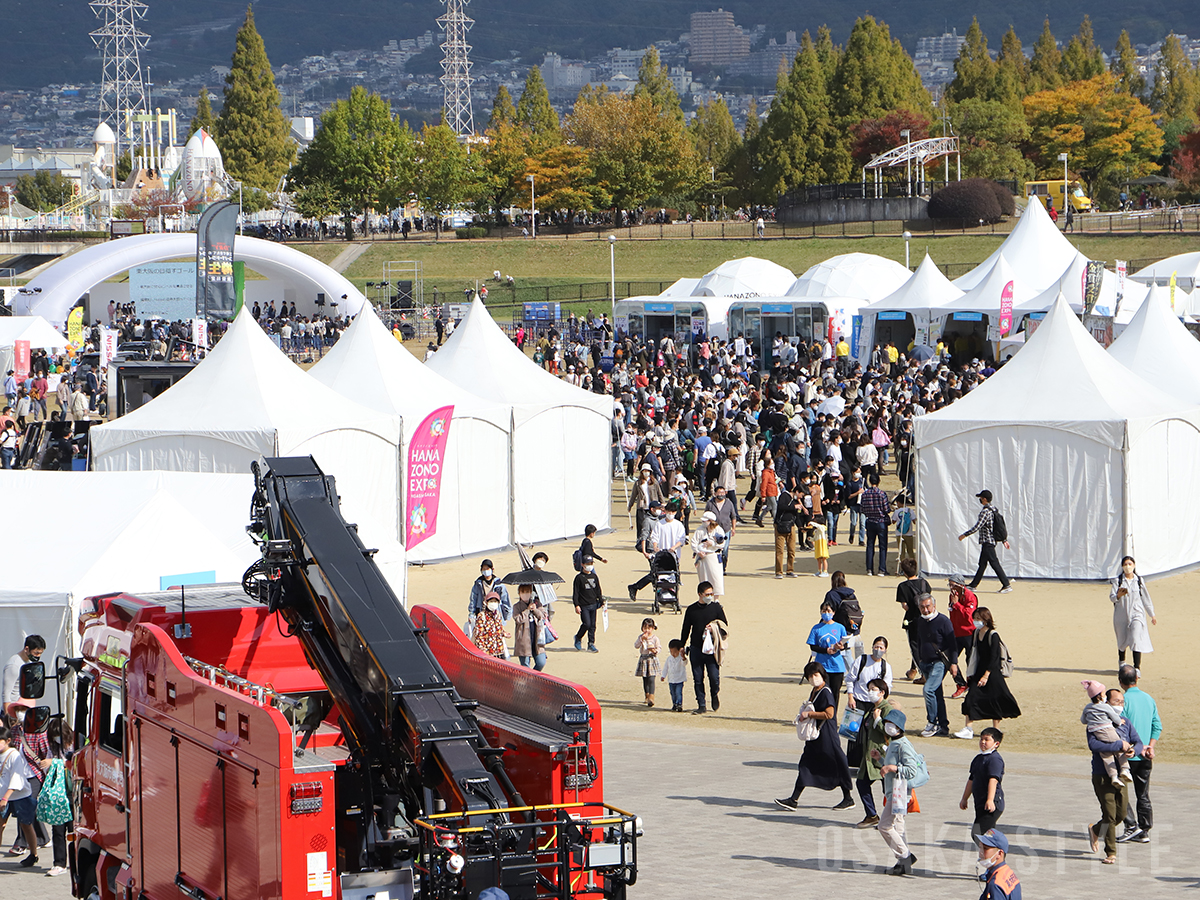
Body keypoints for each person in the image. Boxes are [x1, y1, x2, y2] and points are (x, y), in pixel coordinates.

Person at [774, 662, 855, 812]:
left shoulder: (825, 692)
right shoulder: (815, 690)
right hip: (815, 737)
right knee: (806, 764)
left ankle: (848, 798)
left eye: (815, 675)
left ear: (822, 674)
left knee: (837, 763)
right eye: (810, 676)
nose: (813, 678)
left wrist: (809, 714)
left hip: (826, 736)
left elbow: (830, 714)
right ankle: (793, 799)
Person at [1087, 687, 1142, 865]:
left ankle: (1095, 829)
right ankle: (1111, 852)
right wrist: (1119, 746)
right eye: (1116, 702)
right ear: (1106, 702)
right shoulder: (1095, 722)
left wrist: (1134, 750)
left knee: (1121, 813)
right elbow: (1094, 745)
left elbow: (1138, 741)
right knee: (1109, 814)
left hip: (1122, 775)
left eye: (1122, 702)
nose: (1119, 705)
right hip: (1102, 775)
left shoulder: (1124, 722)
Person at [957, 607, 1020, 739]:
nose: (975, 621)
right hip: (979, 670)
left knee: (996, 700)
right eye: (974, 618)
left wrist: (986, 675)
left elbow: (994, 657)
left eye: (978, 619)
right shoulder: (976, 633)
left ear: (986, 620)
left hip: (993, 673)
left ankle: (995, 730)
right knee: (970, 697)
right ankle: (968, 728)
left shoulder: (993, 635)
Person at [871, 708, 920, 875]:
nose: (888, 727)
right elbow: (892, 764)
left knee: (884, 826)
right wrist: (880, 759)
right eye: (886, 724)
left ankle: (906, 856)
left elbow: (911, 770)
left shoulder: (904, 745)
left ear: (899, 727)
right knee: (898, 828)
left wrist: (892, 767)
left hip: (900, 793)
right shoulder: (893, 743)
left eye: (892, 724)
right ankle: (902, 864)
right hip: (893, 792)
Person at [1116, 665, 1160, 844]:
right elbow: (1157, 725)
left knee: (1120, 792)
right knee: (1143, 794)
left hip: (1127, 756)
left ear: (1120, 681)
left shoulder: (1121, 701)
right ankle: (1145, 829)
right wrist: (1150, 746)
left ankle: (1131, 826)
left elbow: (1120, 728)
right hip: (1145, 756)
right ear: (1137, 679)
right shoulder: (1149, 699)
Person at [679, 581, 727, 714]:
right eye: (707, 594)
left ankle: (714, 694)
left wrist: (714, 627)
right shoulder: (691, 609)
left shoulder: (716, 608)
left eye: (711, 594)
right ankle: (701, 704)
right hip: (695, 648)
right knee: (698, 678)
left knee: (714, 677)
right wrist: (681, 646)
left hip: (712, 649)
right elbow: (686, 629)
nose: (710, 596)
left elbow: (725, 626)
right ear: (700, 594)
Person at [852, 676, 894, 828]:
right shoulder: (871, 708)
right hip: (869, 755)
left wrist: (878, 720)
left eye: (873, 690)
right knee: (862, 783)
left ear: (882, 692)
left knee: (887, 789)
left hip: (882, 756)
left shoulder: (887, 709)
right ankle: (871, 815)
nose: (870, 692)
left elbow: (891, 732)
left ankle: (891, 820)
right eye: (869, 689)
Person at [915, 593, 958, 738]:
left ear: (934, 605)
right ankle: (943, 726)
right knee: (937, 694)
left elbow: (952, 644)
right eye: (922, 607)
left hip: (939, 663)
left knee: (928, 690)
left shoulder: (943, 621)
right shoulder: (920, 621)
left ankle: (932, 722)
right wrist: (920, 660)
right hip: (925, 663)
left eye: (928, 606)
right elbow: (919, 641)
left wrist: (954, 663)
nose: (925, 610)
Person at [0, 724, 40, 869]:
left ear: (8, 740)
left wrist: (5, 798)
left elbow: (16, 779)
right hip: (3, 796)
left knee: (26, 825)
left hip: (20, 795)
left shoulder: (14, 755)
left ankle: (33, 854)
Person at [958, 490, 1012, 593]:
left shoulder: (985, 511)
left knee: (994, 563)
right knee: (982, 564)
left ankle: (1006, 584)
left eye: (981, 498)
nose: (980, 499)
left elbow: (978, 526)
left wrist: (964, 535)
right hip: (991, 541)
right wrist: (1004, 539)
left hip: (987, 541)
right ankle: (973, 585)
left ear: (985, 499)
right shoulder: (994, 510)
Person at [1081, 680, 1133, 787]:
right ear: (1100, 696)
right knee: (1120, 748)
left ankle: (1113, 776)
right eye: (1104, 693)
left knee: (1106, 755)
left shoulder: (1088, 707)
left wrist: (1092, 720)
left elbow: (1083, 720)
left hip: (1096, 732)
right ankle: (1125, 769)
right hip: (1107, 730)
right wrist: (1119, 722)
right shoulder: (1105, 707)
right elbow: (1115, 718)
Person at [1110, 556, 1155, 673]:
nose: (1128, 566)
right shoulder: (1118, 581)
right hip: (1121, 614)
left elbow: (1145, 598)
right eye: (1125, 564)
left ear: (1134, 565)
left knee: (1136, 637)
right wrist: (1119, 595)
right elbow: (1112, 597)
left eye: (1130, 564)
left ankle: (1137, 667)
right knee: (1122, 639)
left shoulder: (1139, 581)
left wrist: (1152, 614)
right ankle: (1122, 662)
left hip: (1137, 613)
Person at [960, 727, 1006, 839]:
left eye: (987, 739)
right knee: (981, 834)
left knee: (980, 834)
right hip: (980, 802)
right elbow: (971, 780)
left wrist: (990, 800)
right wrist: (964, 798)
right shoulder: (978, 758)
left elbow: (993, 780)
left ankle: (995, 854)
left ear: (996, 743)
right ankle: (990, 855)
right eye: (981, 739)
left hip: (991, 803)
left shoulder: (994, 759)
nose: (983, 742)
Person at [806, 600, 849, 713]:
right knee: (822, 691)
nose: (826, 613)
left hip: (837, 666)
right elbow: (813, 646)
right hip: (822, 666)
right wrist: (826, 650)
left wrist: (840, 646)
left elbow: (846, 644)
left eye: (829, 610)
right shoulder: (816, 628)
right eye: (824, 611)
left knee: (835, 693)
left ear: (833, 612)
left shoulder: (840, 627)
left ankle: (832, 716)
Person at [895, 560, 930, 682]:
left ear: (904, 572)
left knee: (914, 646)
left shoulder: (903, 586)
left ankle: (923, 673)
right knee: (923, 644)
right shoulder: (924, 583)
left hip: (912, 619)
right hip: (927, 618)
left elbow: (905, 606)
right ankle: (913, 670)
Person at [948, 574, 979, 698]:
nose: (951, 588)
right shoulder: (952, 595)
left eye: (953, 585)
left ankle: (973, 686)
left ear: (961, 585)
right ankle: (961, 684)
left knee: (971, 661)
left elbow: (969, 617)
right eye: (949, 585)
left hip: (969, 633)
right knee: (950, 659)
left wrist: (957, 605)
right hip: (955, 633)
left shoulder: (970, 596)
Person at [975, 829, 1022, 899]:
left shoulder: (995, 884)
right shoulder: (1008, 872)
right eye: (980, 847)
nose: (981, 852)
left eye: (985, 848)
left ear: (999, 853)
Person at [3, 635, 45, 710]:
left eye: (40, 653)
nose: (38, 656)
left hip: (24, 709)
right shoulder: (14, 665)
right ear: (27, 649)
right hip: (13, 711)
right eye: (36, 653)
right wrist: (8, 718)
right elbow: (6, 694)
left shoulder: (29, 661)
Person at [572, 556, 605, 652]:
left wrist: (601, 600)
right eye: (587, 564)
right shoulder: (579, 578)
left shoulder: (594, 576)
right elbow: (576, 592)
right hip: (583, 605)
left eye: (591, 564)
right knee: (586, 624)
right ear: (582, 564)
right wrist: (576, 605)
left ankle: (591, 643)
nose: (589, 566)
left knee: (593, 625)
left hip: (593, 604)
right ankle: (578, 637)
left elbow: (598, 589)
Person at [860, 474, 891, 576]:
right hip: (881, 521)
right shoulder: (882, 494)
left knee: (870, 545)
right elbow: (887, 509)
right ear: (878, 481)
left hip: (870, 521)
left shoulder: (865, 494)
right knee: (882, 546)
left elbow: (862, 509)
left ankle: (869, 569)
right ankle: (882, 569)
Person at [512, 585, 548, 671]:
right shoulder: (517, 606)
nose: (525, 595)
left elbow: (543, 616)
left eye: (527, 592)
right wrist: (527, 610)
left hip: (537, 639)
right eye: (523, 592)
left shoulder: (537, 603)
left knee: (541, 662)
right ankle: (529, 682)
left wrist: (535, 610)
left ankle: (533, 677)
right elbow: (518, 619)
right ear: (519, 594)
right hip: (523, 640)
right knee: (525, 666)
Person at [691, 511, 726, 598]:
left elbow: (722, 544)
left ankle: (716, 599)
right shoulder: (699, 530)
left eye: (705, 521)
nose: (703, 522)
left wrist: (713, 544)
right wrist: (698, 552)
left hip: (713, 556)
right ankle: (705, 598)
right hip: (702, 557)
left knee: (716, 578)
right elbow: (693, 543)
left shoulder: (718, 530)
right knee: (703, 579)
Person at [773, 484, 801, 578]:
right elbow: (781, 507)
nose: (801, 497)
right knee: (780, 550)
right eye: (801, 494)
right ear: (797, 492)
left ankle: (790, 570)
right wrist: (794, 507)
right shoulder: (784, 495)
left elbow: (796, 516)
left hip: (791, 526)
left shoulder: (796, 501)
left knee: (792, 550)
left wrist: (800, 527)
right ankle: (779, 572)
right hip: (780, 525)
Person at [634, 618, 661, 707]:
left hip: (652, 659)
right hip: (644, 659)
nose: (647, 630)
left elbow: (659, 648)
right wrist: (641, 639)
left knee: (651, 679)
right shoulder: (641, 637)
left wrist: (654, 650)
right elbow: (636, 646)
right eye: (645, 628)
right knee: (645, 679)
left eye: (649, 628)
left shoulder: (655, 638)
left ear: (653, 628)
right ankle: (647, 694)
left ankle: (651, 697)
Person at [472, 593, 508, 658]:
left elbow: (498, 629)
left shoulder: (498, 615)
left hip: (498, 651)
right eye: (491, 601)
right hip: (487, 651)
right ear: (486, 602)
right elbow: (479, 635)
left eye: (495, 601)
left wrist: (503, 633)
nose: (493, 603)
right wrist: (483, 650)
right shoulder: (482, 616)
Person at [662, 639, 688, 712]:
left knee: (678, 692)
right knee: (672, 693)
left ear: (679, 651)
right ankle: (674, 704)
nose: (673, 654)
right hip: (671, 679)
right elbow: (666, 668)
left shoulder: (681, 658)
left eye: (675, 652)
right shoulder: (669, 659)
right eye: (671, 652)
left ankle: (679, 704)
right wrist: (663, 675)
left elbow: (685, 663)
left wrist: (683, 657)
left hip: (679, 679)